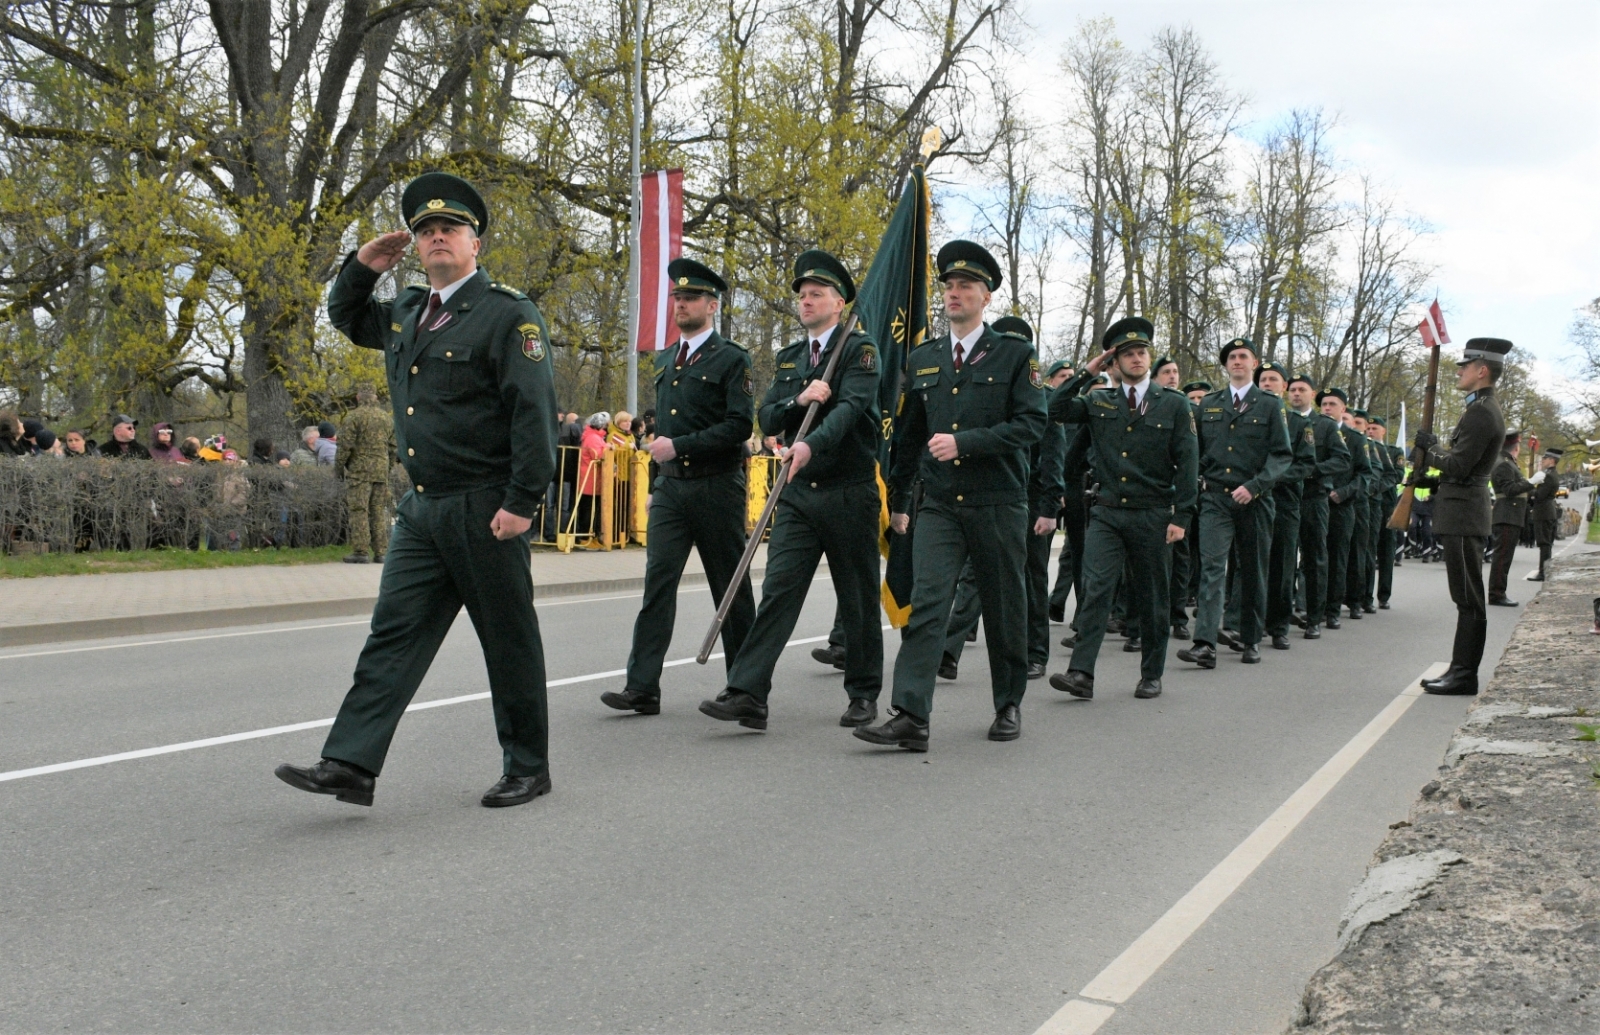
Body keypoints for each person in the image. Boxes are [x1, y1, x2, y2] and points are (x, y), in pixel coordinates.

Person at [275, 170, 559, 809]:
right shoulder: (406, 309)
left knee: (507, 640)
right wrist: (361, 266)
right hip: (422, 507)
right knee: (392, 634)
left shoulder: (508, 314)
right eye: (426, 230)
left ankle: (527, 766)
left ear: (475, 243)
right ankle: (349, 763)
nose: (437, 238)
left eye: (450, 229)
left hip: (487, 505)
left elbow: (533, 415)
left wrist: (521, 503)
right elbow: (346, 316)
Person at [856, 240, 1045, 751]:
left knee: (1005, 608)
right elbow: (911, 438)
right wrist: (898, 500)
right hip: (939, 505)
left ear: (986, 296)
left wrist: (967, 443)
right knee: (929, 606)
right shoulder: (924, 359)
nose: (954, 292)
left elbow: (1033, 423)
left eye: (966, 285)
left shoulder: (1014, 355)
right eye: (948, 285)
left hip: (997, 502)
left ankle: (1008, 704)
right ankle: (911, 715)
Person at [698, 249, 883, 731]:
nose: (805, 301)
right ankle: (748, 693)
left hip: (848, 489)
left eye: (816, 294)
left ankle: (863, 693)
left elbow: (851, 411)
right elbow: (768, 416)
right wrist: (800, 398)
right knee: (778, 591)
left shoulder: (860, 350)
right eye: (801, 295)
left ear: (839, 302)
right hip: (798, 495)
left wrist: (811, 446)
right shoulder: (791, 358)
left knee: (858, 596)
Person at [602, 257, 757, 717]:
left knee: (729, 588)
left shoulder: (732, 359)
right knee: (657, 585)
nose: (680, 305)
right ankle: (642, 686)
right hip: (672, 489)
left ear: (712, 306)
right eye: (677, 298)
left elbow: (738, 427)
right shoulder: (668, 358)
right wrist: (655, 481)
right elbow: (662, 431)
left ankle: (747, 688)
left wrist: (681, 447)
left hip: (716, 486)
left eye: (690, 299)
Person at [1046, 317, 1197, 701]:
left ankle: (1151, 673)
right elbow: (1054, 408)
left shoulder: (1174, 404)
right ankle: (1081, 673)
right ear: (1114, 362)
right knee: (1096, 590)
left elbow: (1189, 461)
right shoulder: (1098, 400)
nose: (1136, 358)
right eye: (1127, 354)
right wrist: (1085, 373)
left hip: (1152, 513)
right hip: (1108, 512)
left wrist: (1182, 517)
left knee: (1152, 596)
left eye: (1141, 352)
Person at [1176, 338, 1292, 669]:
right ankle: (1205, 643)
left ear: (1254, 364)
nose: (1237, 361)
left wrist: (1255, 486)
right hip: (1215, 498)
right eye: (1232, 357)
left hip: (1255, 501)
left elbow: (1281, 454)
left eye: (1243, 356)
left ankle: (1250, 638)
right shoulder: (1209, 403)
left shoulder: (1269, 404)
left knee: (1253, 570)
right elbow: (1194, 450)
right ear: (1226, 365)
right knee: (1212, 568)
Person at [1415, 337, 1511, 696]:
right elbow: (1463, 468)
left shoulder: (1482, 412)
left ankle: (1464, 674)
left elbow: (1459, 464)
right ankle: (1459, 669)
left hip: (1464, 515)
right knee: (1465, 596)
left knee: (1468, 597)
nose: (1460, 371)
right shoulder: (1481, 408)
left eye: (1465, 366)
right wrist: (1431, 473)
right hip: (1461, 511)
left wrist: (1432, 447)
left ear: (1481, 370)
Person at [1256, 361, 1317, 651]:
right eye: (1263, 379)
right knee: (1251, 566)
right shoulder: (1246, 417)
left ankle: (1278, 626)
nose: (1267, 384)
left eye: (1273, 379)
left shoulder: (1299, 423)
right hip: (1252, 501)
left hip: (1284, 502)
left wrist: (1272, 478)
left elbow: (1306, 464)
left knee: (1281, 567)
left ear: (1283, 388)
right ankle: (1246, 623)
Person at [1285, 375, 1351, 640]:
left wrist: (1312, 471)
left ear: (1311, 394)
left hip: (1313, 499)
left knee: (1314, 559)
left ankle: (1314, 617)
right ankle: (1279, 615)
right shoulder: (1282, 421)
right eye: (1293, 390)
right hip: (1285, 497)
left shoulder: (1324, 426)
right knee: (1283, 559)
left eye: (1302, 389)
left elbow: (1342, 459)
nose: (1297, 394)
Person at [1317, 389, 1369, 630]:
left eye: (1332, 404)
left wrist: (1344, 492)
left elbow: (1364, 474)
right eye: (1324, 404)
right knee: (1314, 559)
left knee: (1337, 559)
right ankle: (1312, 608)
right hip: (1316, 502)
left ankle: (1333, 609)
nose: (1327, 408)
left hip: (1341, 505)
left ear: (1343, 409)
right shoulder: (1314, 431)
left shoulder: (1356, 439)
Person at [338, 383, 397, 564]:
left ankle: (361, 551)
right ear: (375, 398)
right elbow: (393, 447)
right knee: (378, 510)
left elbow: (345, 446)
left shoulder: (353, 417)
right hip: (380, 471)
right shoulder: (386, 419)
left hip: (359, 471)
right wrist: (387, 468)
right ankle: (381, 552)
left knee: (359, 510)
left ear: (358, 398)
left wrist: (339, 467)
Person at [1486, 429, 1534, 606]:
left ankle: (1498, 592)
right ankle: (1497, 594)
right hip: (1507, 514)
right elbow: (1509, 489)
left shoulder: (1508, 462)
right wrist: (1531, 483)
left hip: (1511, 514)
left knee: (1504, 557)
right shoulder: (1504, 463)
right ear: (1516, 446)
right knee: (1502, 557)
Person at [1366, 415, 1405, 607]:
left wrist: (1376, 486)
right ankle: (1366, 596)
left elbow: (1397, 475)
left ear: (1383, 431)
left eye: (1374, 428)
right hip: (1369, 505)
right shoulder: (1363, 447)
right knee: (1368, 550)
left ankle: (1384, 595)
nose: (1370, 431)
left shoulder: (1393, 451)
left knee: (1386, 551)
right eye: (1369, 428)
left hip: (1387, 505)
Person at [1528, 447, 1562, 581]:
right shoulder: (1549, 474)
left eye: (1545, 458)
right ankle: (1544, 571)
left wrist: (1530, 487)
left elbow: (1539, 496)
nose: (1542, 460)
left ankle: (1543, 572)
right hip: (1546, 511)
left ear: (1552, 460)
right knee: (1545, 543)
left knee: (1544, 544)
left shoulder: (1549, 476)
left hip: (1544, 512)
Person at [576, 412, 607, 540]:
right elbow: (598, 455)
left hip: (592, 478)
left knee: (590, 508)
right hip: (590, 479)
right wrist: (609, 449)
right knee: (589, 509)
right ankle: (586, 537)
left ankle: (590, 536)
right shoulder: (593, 438)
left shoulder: (592, 436)